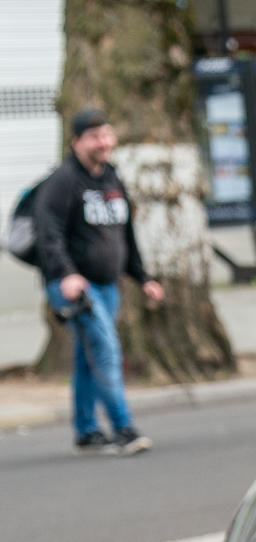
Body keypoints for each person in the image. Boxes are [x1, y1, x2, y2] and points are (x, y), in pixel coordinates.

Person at [32, 109, 163, 456]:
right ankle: (124, 429)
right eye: (94, 137)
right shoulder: (62, 182)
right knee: (105, 351)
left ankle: (87, 432)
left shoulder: (111, 178)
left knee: (87, 357)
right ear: (77, 142)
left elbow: (125, 234)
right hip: (76, 288)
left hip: (108, 286)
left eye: (107, 134)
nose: (103, 142)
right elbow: (48, 234)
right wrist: (67, 274)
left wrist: (143, 276)